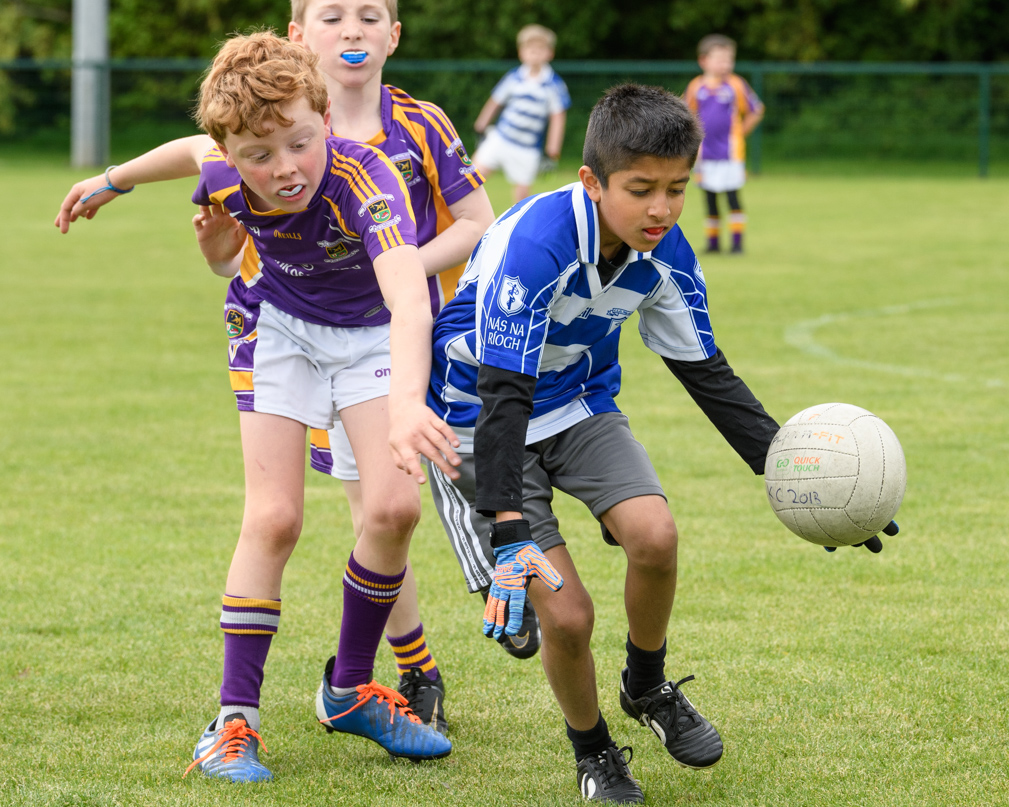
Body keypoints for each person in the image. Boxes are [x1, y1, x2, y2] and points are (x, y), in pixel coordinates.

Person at [54, 0, 505, 753]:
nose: (284, 168)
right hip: (277, 330)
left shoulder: (368, 180)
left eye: (300, 143)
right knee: (274, 519)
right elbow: (189, 158)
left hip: (371, 336)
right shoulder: (226, 167)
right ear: (232, 148)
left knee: (393, 510)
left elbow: (404, 294)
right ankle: (234, 721)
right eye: (259, 156)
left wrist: (403, 404)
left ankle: (349, 687)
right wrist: (114, 180)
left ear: (323, 119)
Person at [426, 84, 784, 803]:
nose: (662, 208)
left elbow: (703, 370)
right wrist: (507, 527)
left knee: (655, 534)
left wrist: (792, 471)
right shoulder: (534, 244)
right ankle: (593, 751)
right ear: (591, 182)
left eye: (677, 189)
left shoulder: (666, 252)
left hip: (579, 406)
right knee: (569, 613)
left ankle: (646, 688)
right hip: (479, 421)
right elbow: (501, 396)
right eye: (641, 189)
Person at [684, 34, 764, 254]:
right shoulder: (696, 87)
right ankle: (713, 244)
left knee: (732, 196)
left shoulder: (736, 85)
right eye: (720, 59)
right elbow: (686, 114)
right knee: (709, 198)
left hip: (730, 155)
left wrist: (740, 133)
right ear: (704, 61)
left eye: (729, 59)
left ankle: (737, 244)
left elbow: (756, 110)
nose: (726, 64)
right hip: (705, 155)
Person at [472, 24, 570, 204]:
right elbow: (495, 101)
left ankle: (514, 227)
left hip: (527, 149)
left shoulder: (553, 85)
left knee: (522, 199)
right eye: (530, 48)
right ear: (521, 52)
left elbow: (558, 118)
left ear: (550, 53)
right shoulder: (514, 77)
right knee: (471, 178)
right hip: (501, 138)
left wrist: (552, 152)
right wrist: (480, 126)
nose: (535, 53)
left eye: (540, 49)